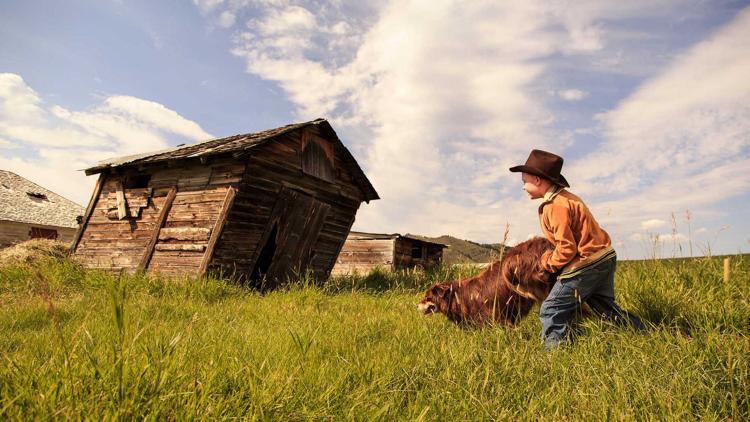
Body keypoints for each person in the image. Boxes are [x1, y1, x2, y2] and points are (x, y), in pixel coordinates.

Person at [509, 149, 645, 350]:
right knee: (606, 309)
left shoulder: (555, 205)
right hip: (604, 257)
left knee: (550, 309)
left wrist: (547, 262)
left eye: (524, 182)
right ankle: (644, 334)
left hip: (587, 263)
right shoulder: (568, 198)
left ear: (537, 180)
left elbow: (566, 247)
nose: (523, 188)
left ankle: (555, 359)